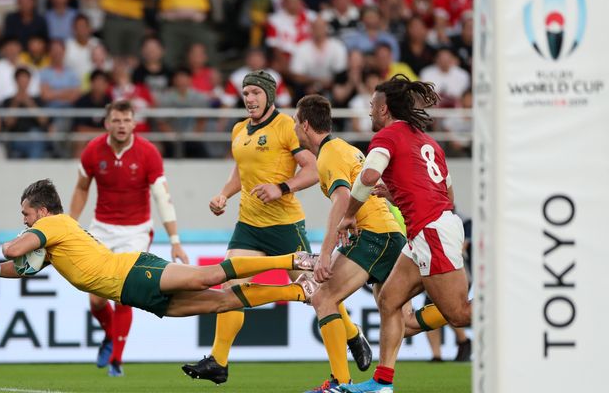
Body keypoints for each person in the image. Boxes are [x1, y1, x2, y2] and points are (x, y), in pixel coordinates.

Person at [0, 179, 321, 353]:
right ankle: (296, 289)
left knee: (206, 276)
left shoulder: (51, 224)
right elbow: (23, 268)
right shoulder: (53, 238)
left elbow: (15, 252)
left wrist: (6, 246)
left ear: (40, 211)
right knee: (220, 302)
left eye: (26, 214)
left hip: (133, 270)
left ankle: (292, 259)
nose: (24, 220)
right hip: (132, 291)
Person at [181, 70, 342, 385]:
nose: (249, 99)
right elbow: (241, 172)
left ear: (269, 95)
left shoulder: (287, 127)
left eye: (255, 92)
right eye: (245, 93)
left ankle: (351, 336)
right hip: (249, 225)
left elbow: (314, 169)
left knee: (318, 294)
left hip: (285, 225)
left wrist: (281, 188)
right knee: (231, 287)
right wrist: (223, 195)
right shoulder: (239, 129)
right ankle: (219, 361)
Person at [293, 95, 446, 392]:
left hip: (375, 236)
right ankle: (474, 311)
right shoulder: (346, 149)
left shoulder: (328, 155)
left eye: (296, 123)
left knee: (323, 298)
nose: (295, 129)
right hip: (390, 235)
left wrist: (324, 253)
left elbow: (341, 198)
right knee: (408, 320)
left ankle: (340, 383)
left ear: (306, 125)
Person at [337, 75, 471, 392]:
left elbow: (367, 175)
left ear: (384, 109)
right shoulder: (428, 143)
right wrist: (398, 193)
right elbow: (448, 197)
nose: (369, 111)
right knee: (388, 301)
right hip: (429, 229)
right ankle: (382, 383)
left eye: (372, 105)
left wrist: (349, 214)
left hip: (432, 230)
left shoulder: (387, 136)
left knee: (459, 314)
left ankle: (511, 306)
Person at [68, 100, 190, 377]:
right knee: (97, 300)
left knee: (123, 295)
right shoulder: (92, 150)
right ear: (107, 123)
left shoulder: (148, 153)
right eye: (116, 120)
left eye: (126, 120)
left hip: (136, 231)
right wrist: (70, 225)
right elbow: (81, 188)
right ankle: (110, 337)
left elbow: (162, 197)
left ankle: (116, 361)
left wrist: (175, 240)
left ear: (134, 123)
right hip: (100, 229)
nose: (121, 125)